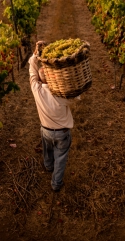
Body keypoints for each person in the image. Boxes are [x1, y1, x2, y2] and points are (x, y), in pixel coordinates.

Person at [28, 41, 73, 192]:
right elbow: (76, 96)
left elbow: (32, 71)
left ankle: (48, 166)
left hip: (45, 130)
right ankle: (56, 183)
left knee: (47, 150)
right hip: (62, 133)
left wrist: (35, 54)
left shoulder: (36, 89)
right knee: (60, 158)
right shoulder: (61, 93)